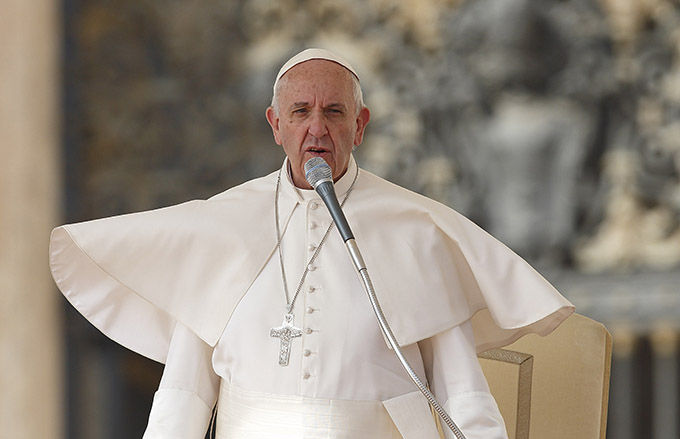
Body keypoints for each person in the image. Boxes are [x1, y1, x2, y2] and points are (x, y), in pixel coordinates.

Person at [49, 48, 574, 439]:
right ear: (276, 126)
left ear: (360, 125)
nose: (316, 128)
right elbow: (185, 393)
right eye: (300, 112)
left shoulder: (419, 231)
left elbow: (463, 394)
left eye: (334, 112)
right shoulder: (222, 229)